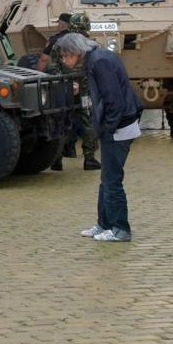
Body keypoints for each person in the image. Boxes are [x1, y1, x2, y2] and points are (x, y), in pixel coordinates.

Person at [52, 31, 143, 243]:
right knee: (106, 179)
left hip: (119, 128)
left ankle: (120, 228)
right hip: (117, 126)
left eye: (65, 56)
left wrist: (107, 129)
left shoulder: (99, 62)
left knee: (112, 180)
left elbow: (114, 101)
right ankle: (104, 224)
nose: (64, 60)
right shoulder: (97, 58)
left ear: (75, 52)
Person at [44, 14, 100, 172]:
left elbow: (52, 68)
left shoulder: (59, 43)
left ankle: (57, 159)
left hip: (64, 87)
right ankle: (89, 158)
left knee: (61, 120)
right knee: (88, 120)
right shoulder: (91, 45)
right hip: (85, 88)